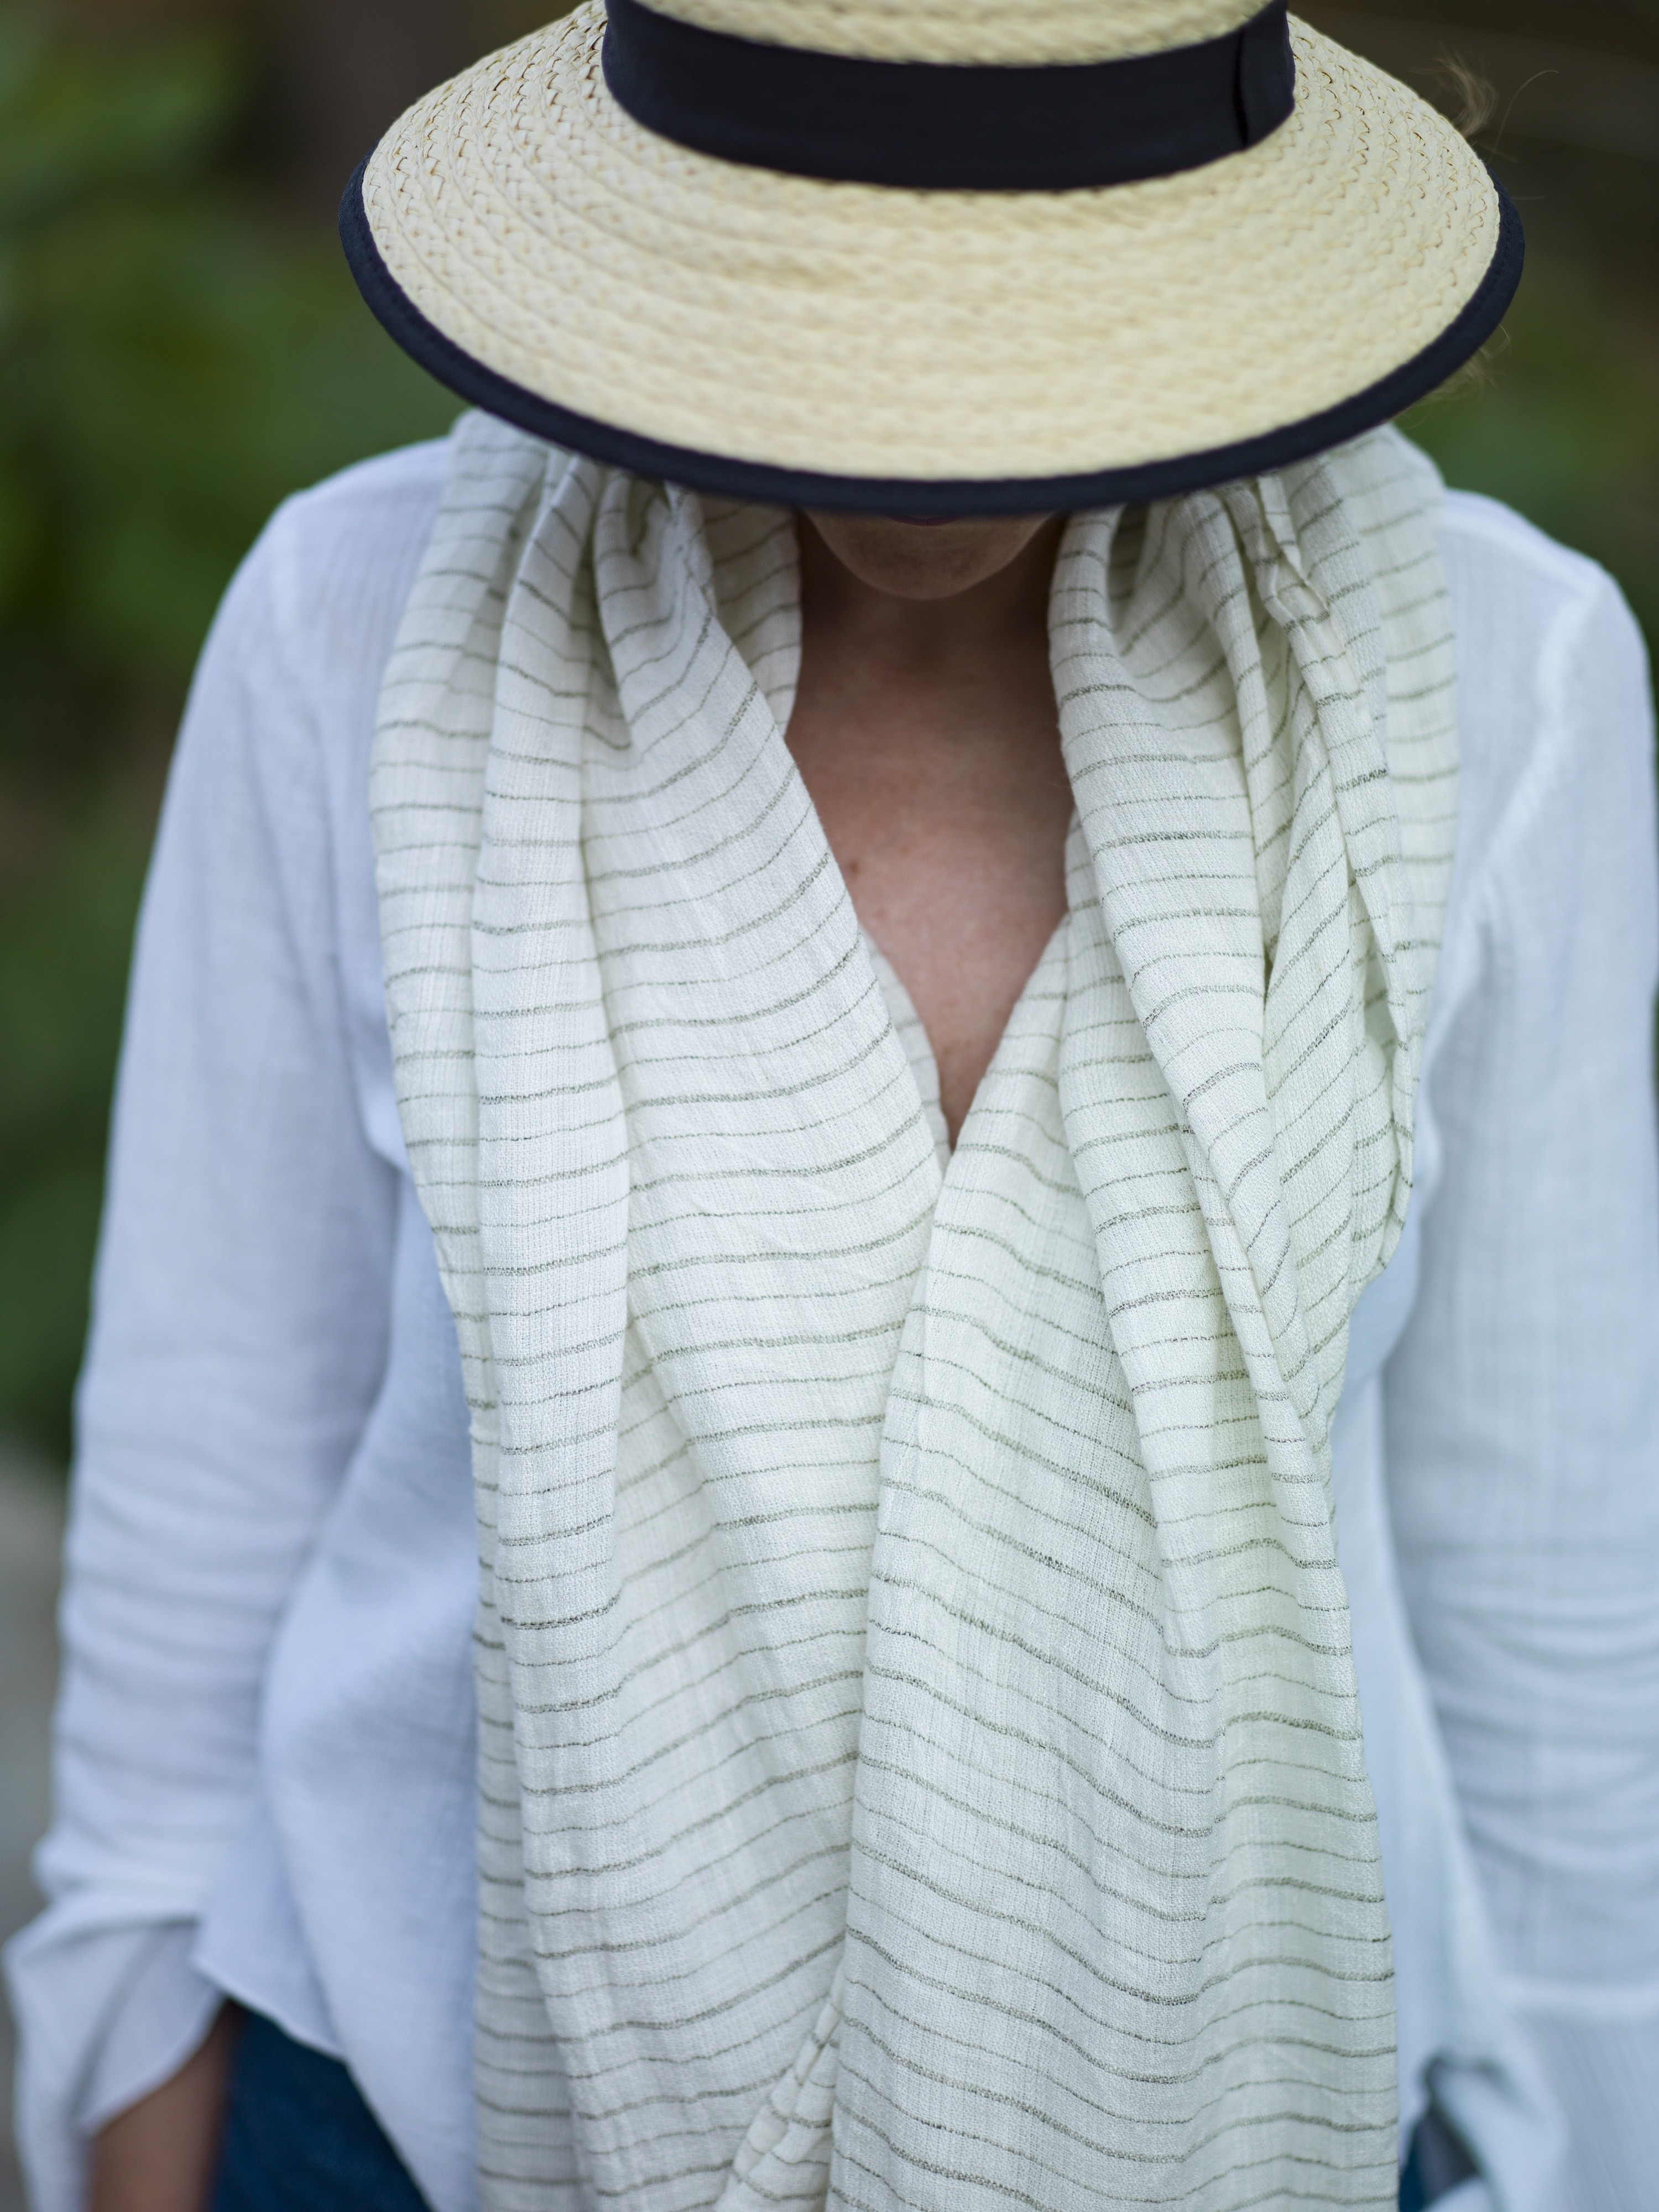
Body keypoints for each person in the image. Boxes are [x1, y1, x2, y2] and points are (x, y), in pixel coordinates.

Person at [8, 1, 1659, 2208]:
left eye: (1016, 332)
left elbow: (1547, 1608)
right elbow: (209, 1510)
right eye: (823, 309)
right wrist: (133, 2126)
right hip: (408, 2119)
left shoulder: (1500, 678)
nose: (910, 445)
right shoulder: (356, 623)